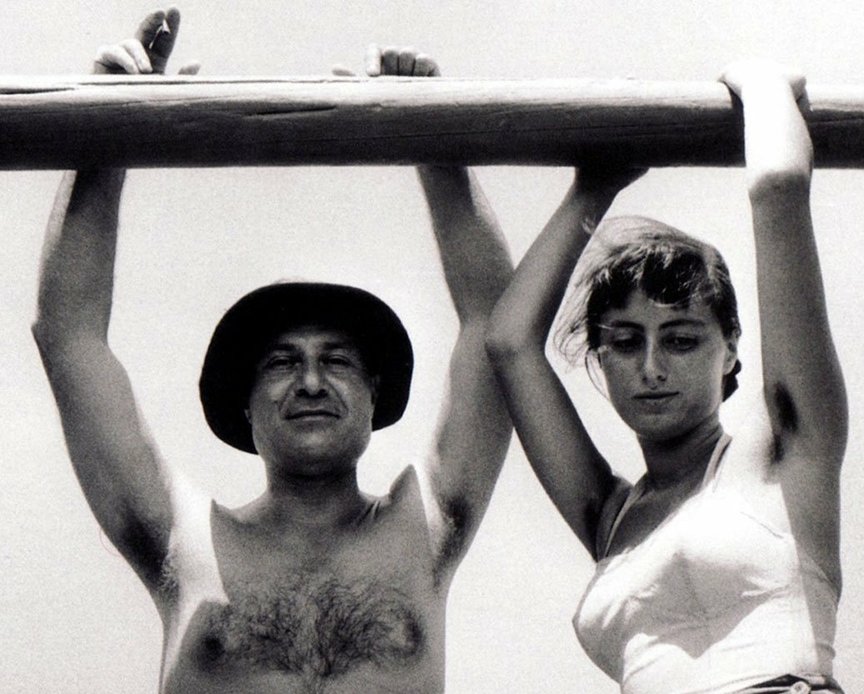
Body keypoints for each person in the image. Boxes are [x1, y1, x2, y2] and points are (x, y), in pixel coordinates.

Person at [32, 8, 513, 693]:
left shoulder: (424, 526)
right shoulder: (183, 541)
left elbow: (494, 324)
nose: (311, 382)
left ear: (375, 394)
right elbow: (70, 339)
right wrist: (104, 138)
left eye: (337, 360)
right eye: (281, 363)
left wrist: (436, 142)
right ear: (244, 403)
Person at [486, 61, 847, 693]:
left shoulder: (783, 453)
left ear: (730, 350)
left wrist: (762, 83)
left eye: (681, 340)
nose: (651, 368)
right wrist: (593, 189)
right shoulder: (612, 517)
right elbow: (510, 341)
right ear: (600, 356)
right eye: (625, 343)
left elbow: (779, 189)